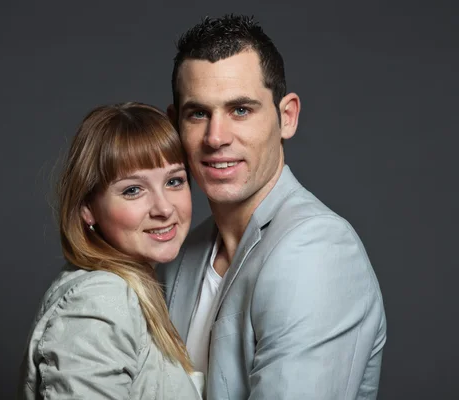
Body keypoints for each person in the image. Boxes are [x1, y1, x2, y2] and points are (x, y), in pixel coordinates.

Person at [157, 15, 387, 400]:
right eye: (198, 113)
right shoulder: (179, 255)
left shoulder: (317, 249)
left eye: (241, 110)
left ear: (287, 116)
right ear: (173, 125)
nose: (216, 138)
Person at [19, 102, 202, 399]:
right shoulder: (99, 300)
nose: (165, 208)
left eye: (174, 181)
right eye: (133, 190)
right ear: (88, 208)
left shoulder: (134, 292)